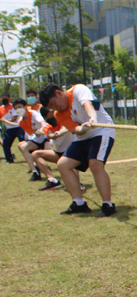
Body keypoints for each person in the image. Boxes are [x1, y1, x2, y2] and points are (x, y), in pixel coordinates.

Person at [38, 83, 116, 217]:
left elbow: (87, 104)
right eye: (51, 107)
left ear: (58, 93)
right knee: (63, 164)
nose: (54, 108)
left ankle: (108, 205)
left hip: (102, 131)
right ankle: (79, 203)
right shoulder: (58, 114)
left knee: (95, 163)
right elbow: (75, 130)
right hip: (83, 137)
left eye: (53, 103)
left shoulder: (78, 90)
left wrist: (92, 118)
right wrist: (83, 128)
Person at [31, 107, 79, 191]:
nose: (49, 118)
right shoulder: (47, 127)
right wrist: (54, 135)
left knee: (71, 160)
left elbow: (65, 126)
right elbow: (50, 135)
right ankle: (52, 180)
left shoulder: (64, 121)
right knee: (35, 154)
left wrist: (61, 131)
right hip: (58, 154)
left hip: (71, 153)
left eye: (50, 115)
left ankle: (78, 184)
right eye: (46, 117)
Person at [13, 98, 48, 180]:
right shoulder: (21, 121)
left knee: (23, 147)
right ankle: (35, 170)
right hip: (37, 139)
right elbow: (32, 133)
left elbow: (43, 123)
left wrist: (41, 130)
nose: (18, 109)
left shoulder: (33, 113)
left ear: (25, 106)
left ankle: (36, 169)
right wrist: (36, 133)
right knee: (21, 146)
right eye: (16, 108)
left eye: (19, 107)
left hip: (45, 136)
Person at [1, 93, 25, 163]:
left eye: (5, 98)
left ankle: (30, 156)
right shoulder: (1, 108)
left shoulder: (13, 107)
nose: (4, 99)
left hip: (18, 127)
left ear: (9, 98)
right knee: (6, 143)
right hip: (9, 129)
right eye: (2, 98)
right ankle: (9, 159)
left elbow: (14, 118)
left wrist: (6, 120)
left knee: (22, 141)